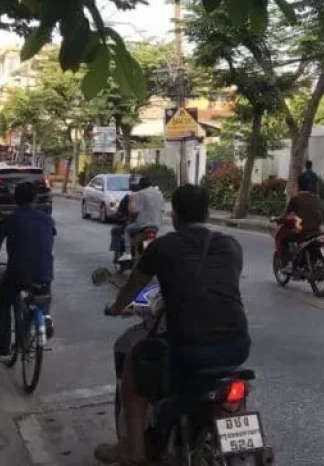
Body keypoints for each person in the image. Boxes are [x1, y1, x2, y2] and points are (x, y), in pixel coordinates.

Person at [96, 185, 250, 465]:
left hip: (190, 347)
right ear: (207, 212)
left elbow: (133, 287)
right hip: (237, 345)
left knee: (134, 361)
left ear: (174, 214)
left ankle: (134, 451)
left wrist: (116, 307)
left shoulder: (163, 247)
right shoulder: (230, 245)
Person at [0, 181, 56, 361]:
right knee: (43, 295)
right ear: (35, 198)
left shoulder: (9, 220)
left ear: (15, 199)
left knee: (2, 306)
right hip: (44, 271)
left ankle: (3, 351)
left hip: (17, 273)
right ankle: (45, 317)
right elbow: (48, 244)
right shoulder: (47, 219)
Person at [276, 174, 324, 268]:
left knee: (283, 239)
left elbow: (286, 215)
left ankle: (286, 264)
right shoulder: (317, 199)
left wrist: (278, 220)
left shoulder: (296, 199)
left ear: (299, 186)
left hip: (302, 233)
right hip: (317, 232)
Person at [118, 174, 166, 261]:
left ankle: (128, 253)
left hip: (143, 225)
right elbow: (163, 209)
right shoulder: (159, 193)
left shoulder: (140, 194)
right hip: (156, 225)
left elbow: (135, 210)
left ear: (140, 186)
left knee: (127, 230)